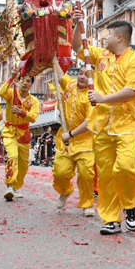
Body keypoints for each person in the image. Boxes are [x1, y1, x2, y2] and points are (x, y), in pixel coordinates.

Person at [72, 13, 135, 236]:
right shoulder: (101, 56)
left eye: (108, 34)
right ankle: (111, 219)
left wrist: (102, 98)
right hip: (103, 123)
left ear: (120, 37)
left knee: (125, 167)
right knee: (104, 173)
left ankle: (129, 206)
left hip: (126, 122)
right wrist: (78, 24)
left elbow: (132, 91)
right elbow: (78, 45)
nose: (105, 38)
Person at [51, 59, 96, 216]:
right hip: (64, 140)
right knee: (59, 172)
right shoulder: (69, 86)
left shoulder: (92, 97)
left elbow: (89, 122)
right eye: (81, 73)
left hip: (85, 141)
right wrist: (54, 58)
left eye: (87, 75)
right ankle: (65, 190)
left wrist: (70, 135)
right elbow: (59, 73)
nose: (82, 76)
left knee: (85, 174)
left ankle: (87, 203)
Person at [0, 73, 40, 201]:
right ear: (19, 82)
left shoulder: (34, 101)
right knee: (12, 156)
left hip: (23, 134)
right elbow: (0, 92)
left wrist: (21, 112)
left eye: (28, 81)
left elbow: (33, 117)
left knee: (23, 165)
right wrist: (11, 77)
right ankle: (9, 186)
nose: (25, 83)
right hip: (10, 132)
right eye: (23, 80)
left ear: (32, 84)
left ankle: (15, 187)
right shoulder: (11, 93)